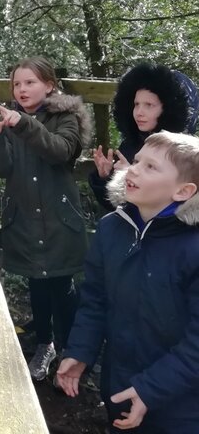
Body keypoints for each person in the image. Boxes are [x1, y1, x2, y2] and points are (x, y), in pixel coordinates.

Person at [57, 131, 199, 433]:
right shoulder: (111, 229)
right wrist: (81, 351)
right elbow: (95, 300)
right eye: (137, 161)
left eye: (151, 167)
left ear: (183, 191)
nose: (133, 169)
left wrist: (151, 389)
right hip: (120, 385)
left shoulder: (193, 249)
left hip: (183, 405)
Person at [0, 56, 91, 381]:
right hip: (24, 219)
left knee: (62, 285)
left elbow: (59, 150)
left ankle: (71, 350)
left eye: (30, 82)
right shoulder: (10, 120)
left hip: (59, 220)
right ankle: (45, 344)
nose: (22, 88)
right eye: (17, 83)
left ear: (50, 85)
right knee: (36, 284)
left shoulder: (65, 117)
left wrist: (22, 124)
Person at [89, 63, 194, 211]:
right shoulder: (130, 146)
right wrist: (106, 177)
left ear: (169, 109)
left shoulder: (185, 155)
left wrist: (130, 175)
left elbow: (168, 208)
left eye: (149, 105)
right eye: (136, 104)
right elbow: (114, 207)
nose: (139, 112)